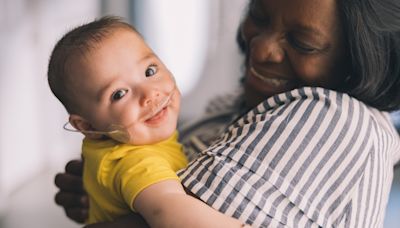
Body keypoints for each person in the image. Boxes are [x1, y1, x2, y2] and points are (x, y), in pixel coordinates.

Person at [54, 0, 400, 227]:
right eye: (259, 18)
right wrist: (102, 191)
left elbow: (168, 215)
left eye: (301, 43)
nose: (261, 48)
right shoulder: (229, 111)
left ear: (359, 59)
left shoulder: (335, 117)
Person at [48, 16, 246, 227]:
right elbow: (169, 210)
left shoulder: (113, 140)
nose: (149, 94)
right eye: (119, 94)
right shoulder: (137, 162)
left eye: (150, 71)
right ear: (87, 126)